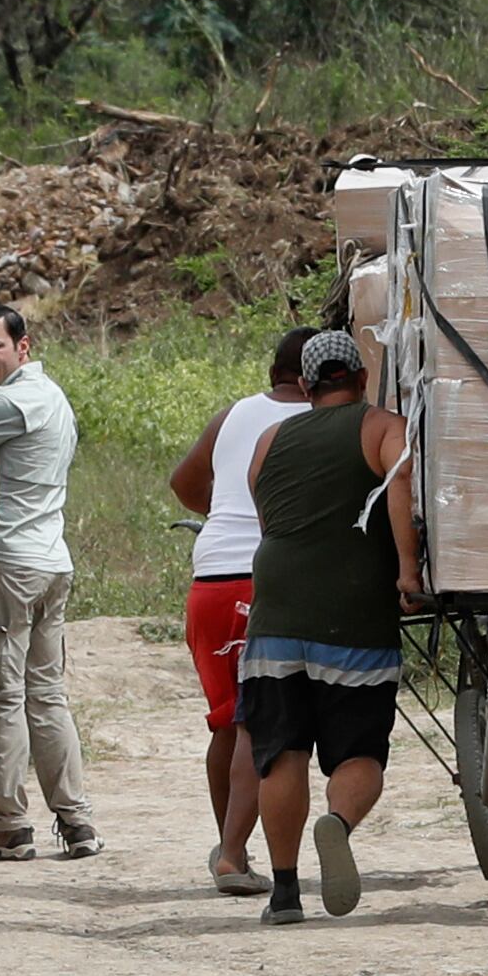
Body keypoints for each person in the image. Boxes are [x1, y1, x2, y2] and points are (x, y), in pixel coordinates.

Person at [240, 329, 420, 927]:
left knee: (280, 754)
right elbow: (400, 487)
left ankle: (285, 892)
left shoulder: (270, 439)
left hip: (276, 610)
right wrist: (408, 573)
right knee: (360, 750)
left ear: (307, 386)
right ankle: (337, 823)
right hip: (353, 613)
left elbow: (269, 520)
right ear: (361, 377)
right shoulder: (380, 427)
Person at [168, 327, 316, 897]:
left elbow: (183, 482)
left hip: (209, 580)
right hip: (263, 577)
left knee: (227, 721)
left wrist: (227, 511)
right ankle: (232, 855)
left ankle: (232, 846)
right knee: (260, 721)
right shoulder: (315, 421)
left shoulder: (233, 415)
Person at [0, 303, 100, 862]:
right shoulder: (49, 395)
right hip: (48, 561)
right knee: (44, 695)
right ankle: (76, 820)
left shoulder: (12, 402)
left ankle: (9, 823)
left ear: (24, 346)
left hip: (10, 562)